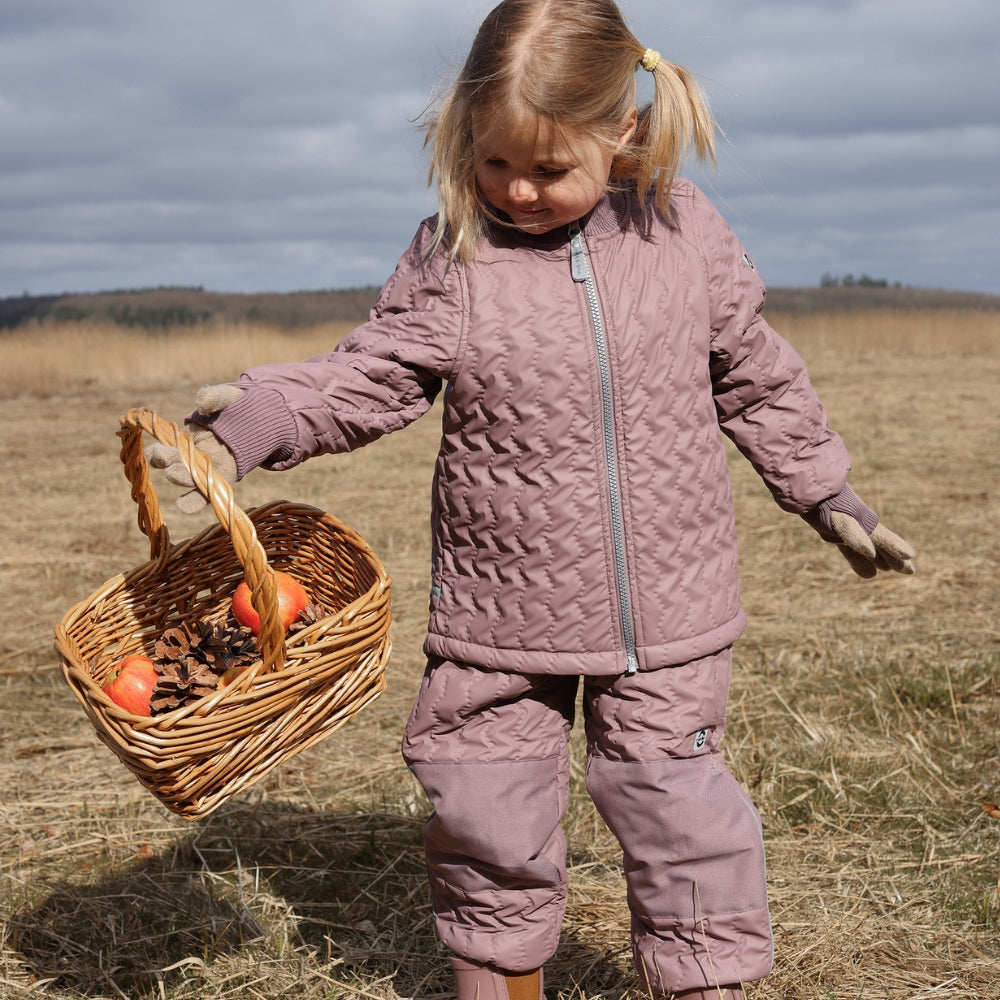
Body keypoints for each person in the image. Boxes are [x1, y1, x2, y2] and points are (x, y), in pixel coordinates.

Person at [149, 1, 916, 997]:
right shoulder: (455, 253)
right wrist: (252, 422)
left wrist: (826, 493)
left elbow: (755, 374)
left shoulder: (681, 232)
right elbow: (370, 373)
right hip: (498, 617)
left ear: (620, 133)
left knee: (677, 811)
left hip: (669, 614)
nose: (517, 190)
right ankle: (498, 984)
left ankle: (706, 984)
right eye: (492, 161)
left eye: (549, 169)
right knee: (484, 808)